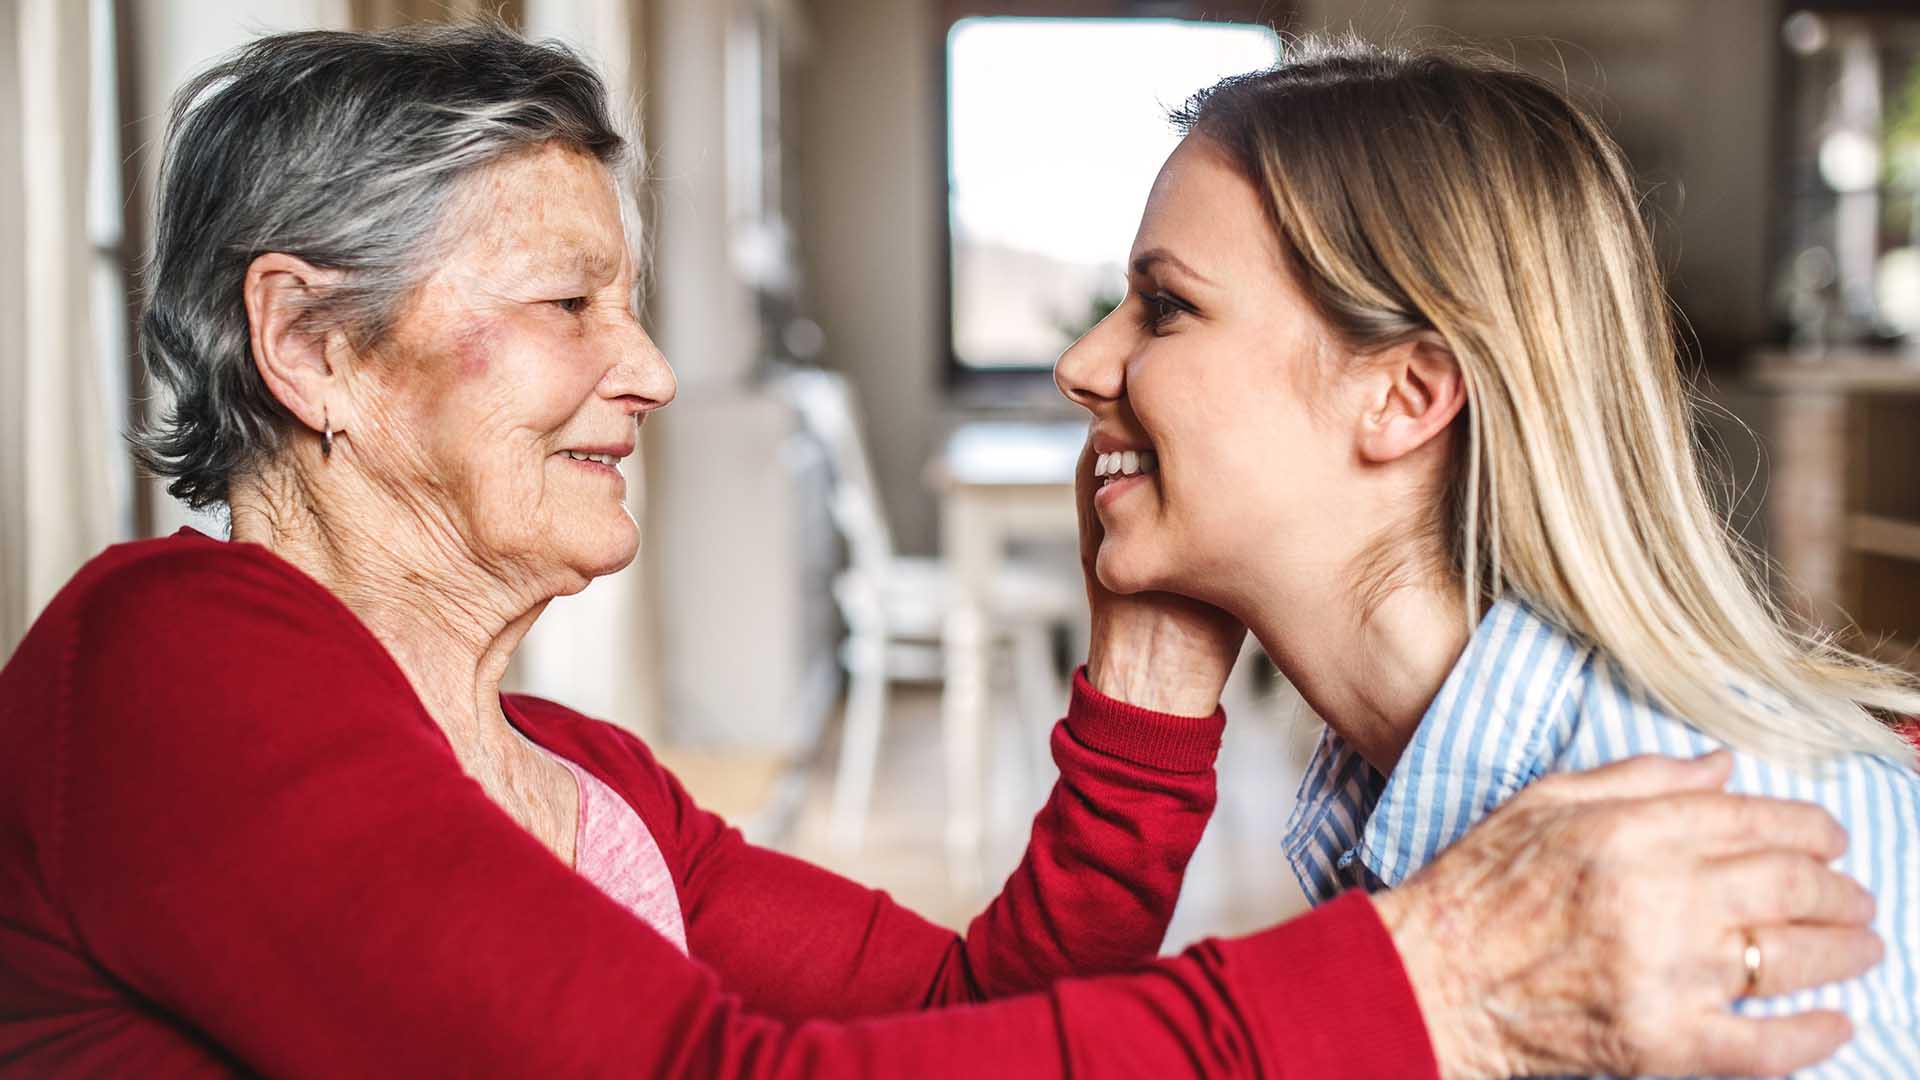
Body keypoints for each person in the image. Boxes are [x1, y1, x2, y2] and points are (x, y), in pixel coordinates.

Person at [0, 22, 1880, 1079]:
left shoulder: (585, 786)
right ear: (313, 346)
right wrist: (1431, 987)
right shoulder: (168, 659)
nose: (648, 372)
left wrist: (1146, 692)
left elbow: (972, 1025)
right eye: (571, 301)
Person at [1055, 34, 1920, 1079]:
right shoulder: (1397, 798)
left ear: (1406, 395)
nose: (1082, 364)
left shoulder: (1732, 864)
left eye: (1166, 307)